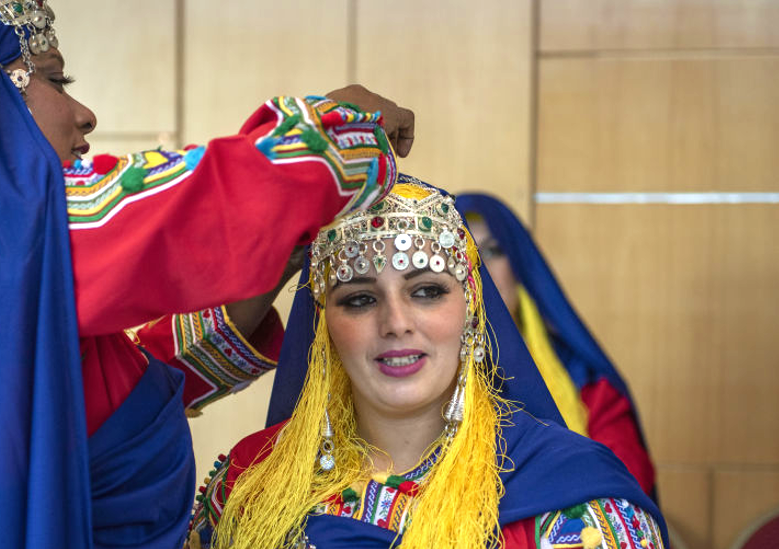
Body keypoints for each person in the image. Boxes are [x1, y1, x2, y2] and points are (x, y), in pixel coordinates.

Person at [0, 0, 416, 546]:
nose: (84, 112)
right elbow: (220, 197)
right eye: (53, 78)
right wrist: (343, 129)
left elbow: (102, 403)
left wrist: (264, 269)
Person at [189, 177, 667, 548]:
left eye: (427, 291)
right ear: (323, 329)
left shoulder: (581, 502)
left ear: (472, 311)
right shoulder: (248, 485)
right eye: (358, 299)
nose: (396, 322)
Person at [454, 193, 656, 496]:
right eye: (465, 256)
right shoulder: (425, 375)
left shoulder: (581, 378)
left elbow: (624, 485)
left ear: (520, 266)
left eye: (493, 251)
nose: (479, 269)